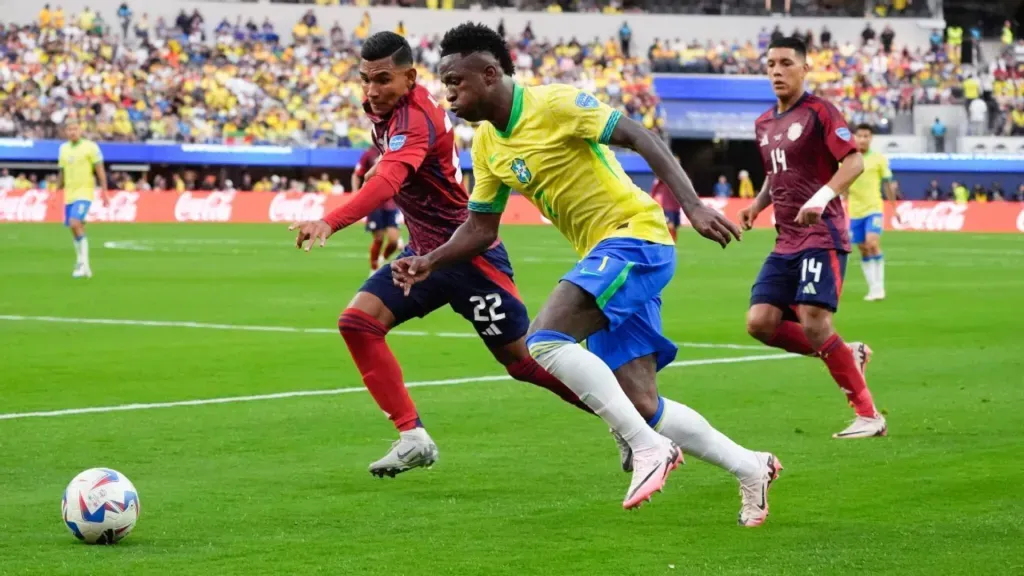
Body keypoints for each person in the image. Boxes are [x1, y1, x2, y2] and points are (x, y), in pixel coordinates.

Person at [392, 23, 781, 523]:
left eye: (455, 81)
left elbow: (639, 135)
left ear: (489, 74)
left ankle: (647, 446)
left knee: (544, 340)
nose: (448, 92)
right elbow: (481, 229)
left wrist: (692, 206)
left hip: (635, 237)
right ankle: (750, 466)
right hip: (605, 254)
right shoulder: (486, 144)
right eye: (444, 82)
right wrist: (430, 259)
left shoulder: (554, 104)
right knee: (643, 402)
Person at [287, 32, 591, 480]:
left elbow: (389, 181)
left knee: (523, 362)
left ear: (410, 77)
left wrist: (330, 221)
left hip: (466, 255)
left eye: (383, 79)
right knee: (358, 323)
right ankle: (413, 438)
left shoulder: (415, 118)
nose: (371, 90)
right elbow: (397, 166)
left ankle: (631, 419)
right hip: (423, 256)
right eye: (365, 79)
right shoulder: (386, 110)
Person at [739, 37, 886, 439]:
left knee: (814, 321)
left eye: (786, 63)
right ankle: (848, 354)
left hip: (822, 234)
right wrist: (757, 205)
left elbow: (853, 161)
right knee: (760, 323)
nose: (777, 71)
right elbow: (775, 172)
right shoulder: (763, 123)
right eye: (771, 64)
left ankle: (869, 415)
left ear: (805, 68)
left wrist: (822, 198)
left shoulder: (820, 112)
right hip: (785, 240)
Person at [846, 124, 897, 302]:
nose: (863, 139)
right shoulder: (847, 160)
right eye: (860, 136)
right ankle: (872, 288)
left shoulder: (879, 159)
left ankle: (879, 288)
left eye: (866, 136)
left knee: (872, 243)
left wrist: (894, 207)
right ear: (854, 137)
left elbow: (888, 183)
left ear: (871, 138)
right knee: (863, 249)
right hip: (855, 210)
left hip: (874, 208)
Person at [58, 118, 108, 279]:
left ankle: (83, 265)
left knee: (75, 222)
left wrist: (104, 191)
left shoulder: (90, 147)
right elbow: (62, 171)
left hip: (84, 193)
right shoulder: (63, 149)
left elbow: (100, 170)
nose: (72, 132)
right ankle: (81, 262)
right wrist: (56, 190)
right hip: (69, 194)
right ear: (66, 132)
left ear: (80, 130)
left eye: (75, 129)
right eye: (69, 129)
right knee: (75, 229)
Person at [351, 146, 404, 273]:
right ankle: (373, 269)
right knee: (379, 238)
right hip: (374, 203)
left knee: (394, 241)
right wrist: (355, 192)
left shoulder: (396, 149)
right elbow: (357, 174)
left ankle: (382, 259)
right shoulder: (369, 153)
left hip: (391, 202)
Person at [650, 171, 680, 242]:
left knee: (675, 226)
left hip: (676, 207)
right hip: (667, 207)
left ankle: (673, 241)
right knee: (670, 225)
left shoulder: (677, 181)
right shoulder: (663, 180)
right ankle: (669, 242)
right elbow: (653, 191)